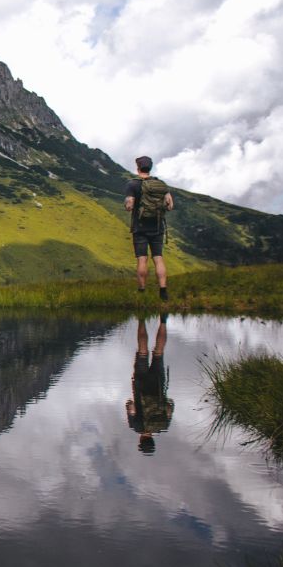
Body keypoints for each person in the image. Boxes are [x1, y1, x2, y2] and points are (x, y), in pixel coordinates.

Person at [124, 155, 174, 300]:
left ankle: (141, 291)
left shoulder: (132, 184)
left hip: (140, 227)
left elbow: (129, 206)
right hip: (157, 226)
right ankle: (163, 290)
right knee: (158, 258)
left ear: (138, 167)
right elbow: (170, 205)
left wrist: (129, 205)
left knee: (142, 259)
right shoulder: (161, 184)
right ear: (150, 167)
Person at [126, 313, 174, 453]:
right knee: (142, 352)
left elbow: (169, 407)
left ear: (152, 440)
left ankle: (163, 321)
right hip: (140, 385)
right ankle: (141, 319)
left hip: (158, 384)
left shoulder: (162, 425)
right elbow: (131, 406)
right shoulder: (136, 427)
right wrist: (129, 405)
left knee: (158, 352)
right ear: (141, 440)